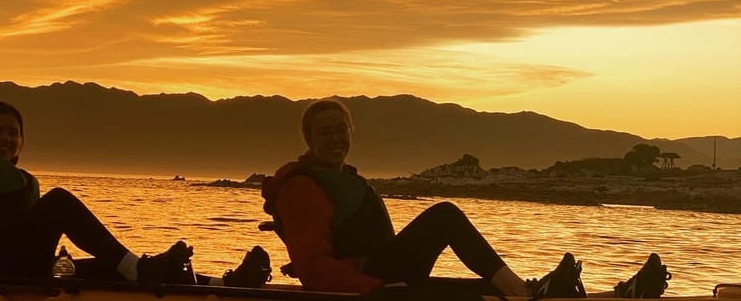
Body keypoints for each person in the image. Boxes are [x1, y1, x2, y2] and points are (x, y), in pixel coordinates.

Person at [261, 99, 671, 298]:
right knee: (445, 215)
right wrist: (375, 289)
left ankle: (591, 294)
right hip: (366, 286)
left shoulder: (346, 179)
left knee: (478, 287)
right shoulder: (302, 187)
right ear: (309, 140)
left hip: (388, 273)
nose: (336, 138)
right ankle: (525, 293)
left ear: (351, 132)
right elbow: (314, 269)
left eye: (341, 129)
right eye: (325, 132)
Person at [0, 101, 271, 288]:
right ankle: (141, 269)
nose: (5, 139)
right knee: (59, 200)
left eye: (13, 133)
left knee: (110, 267)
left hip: (17, 265)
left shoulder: (19, 179)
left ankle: (220, 283)